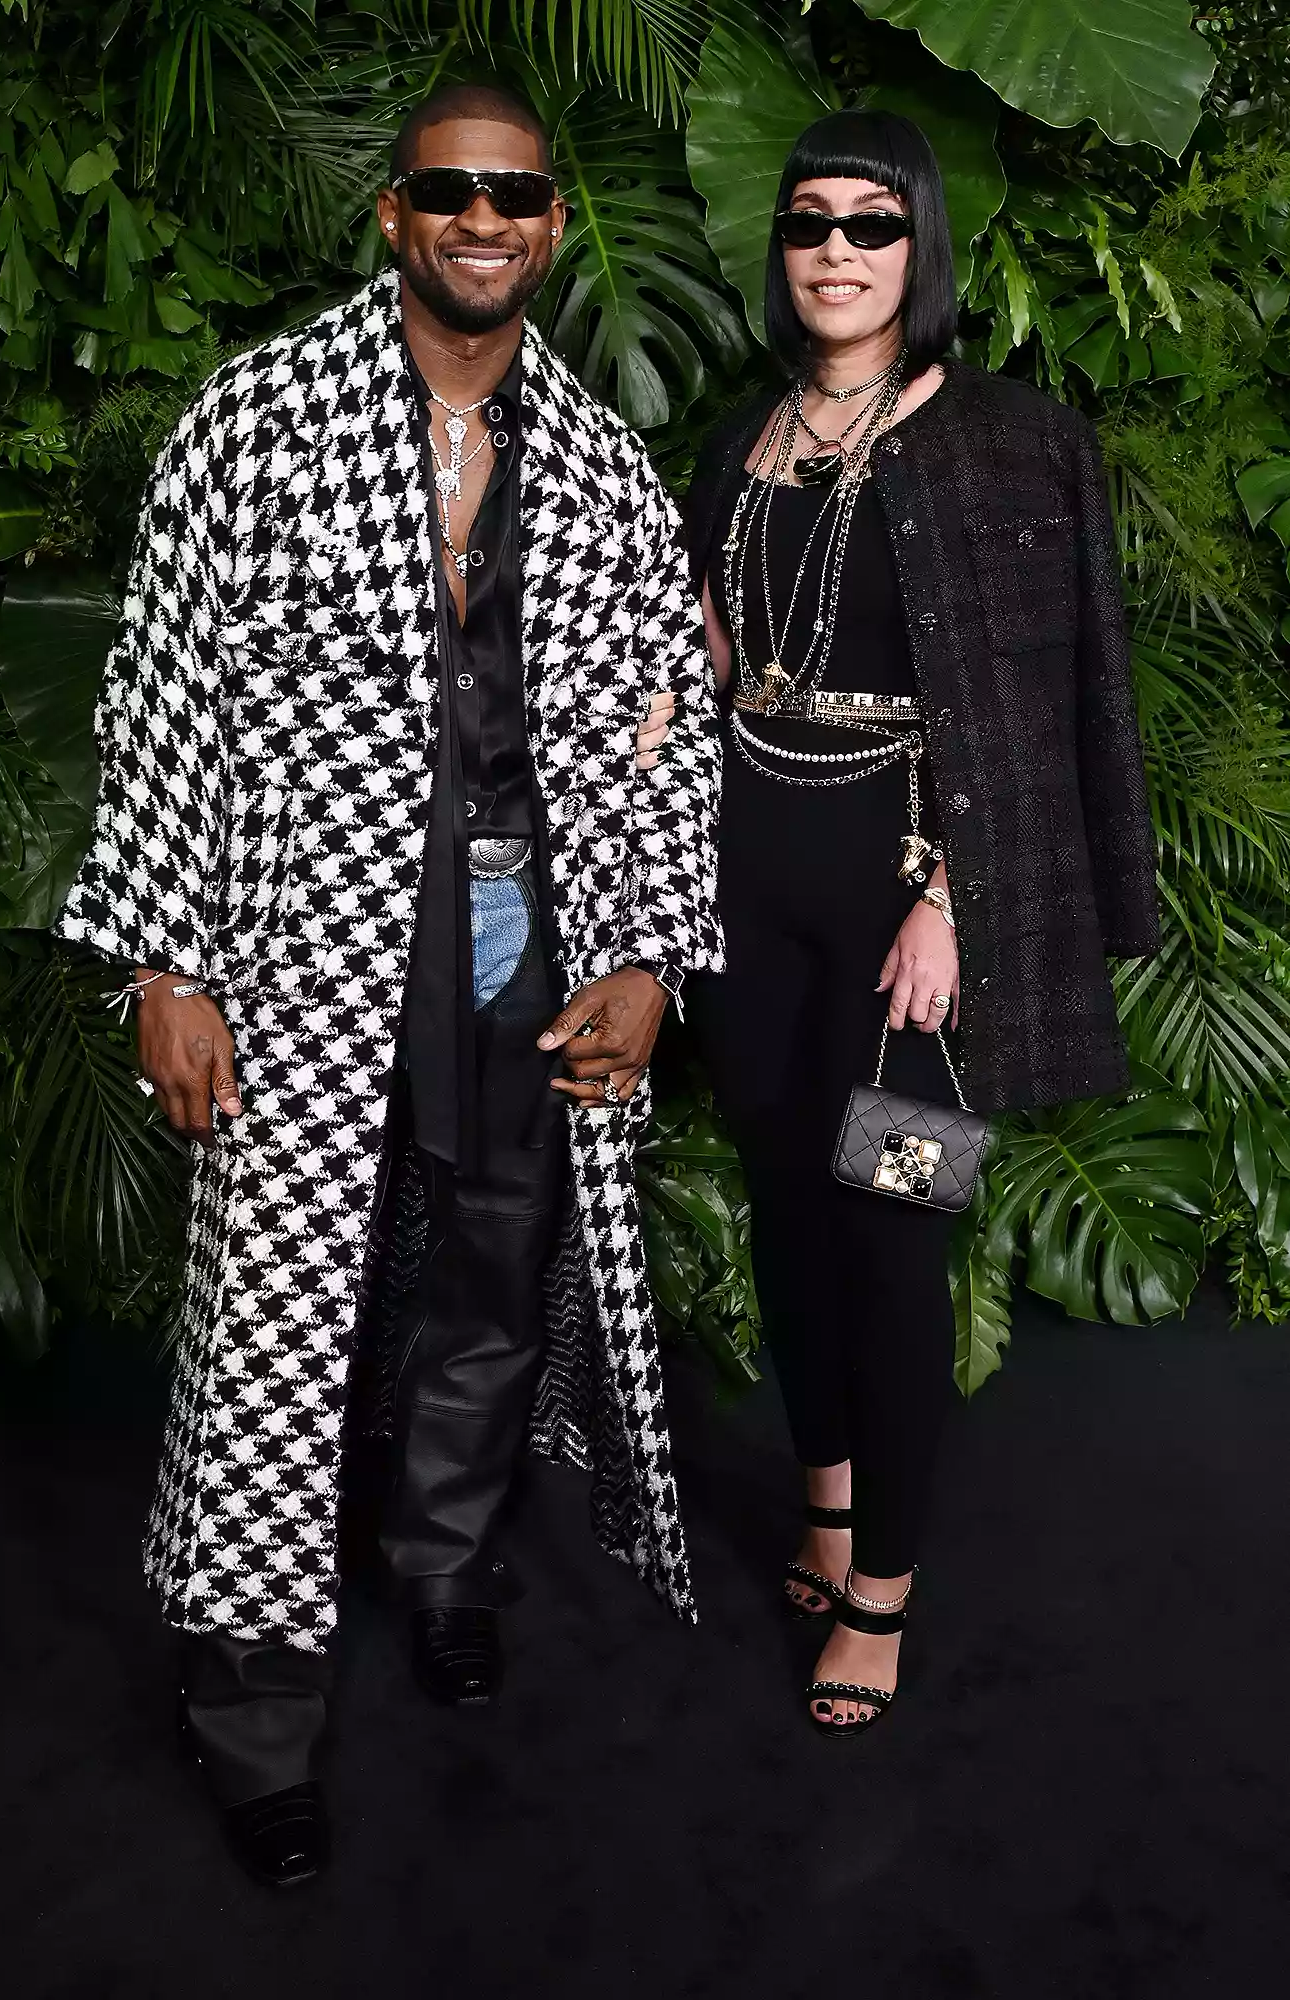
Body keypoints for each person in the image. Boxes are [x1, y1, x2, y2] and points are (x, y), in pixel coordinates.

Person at [58, 82, 721, 1886]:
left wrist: (649, 947)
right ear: (395, 215)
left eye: (515, 192)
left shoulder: (596, 455)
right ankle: (255, 1715)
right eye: (451, 189)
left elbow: (667, 738)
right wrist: (169, 957)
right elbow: (163, 697)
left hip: (520, 924)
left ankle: (442, 1565)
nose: (483, 216)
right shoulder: (259, 416)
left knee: (502, 1256)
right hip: (303, 923)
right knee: (277, 1306)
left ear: (554, 228)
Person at [669, 108, 1158, 1738]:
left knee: (897, 1230)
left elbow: (1036, 704)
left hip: (908, 932)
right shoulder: (741, 439)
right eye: (808, 222)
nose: (833, 252)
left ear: (920, 246)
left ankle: (883, 1581)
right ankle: (821, 1506)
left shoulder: (1012, 444)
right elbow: (710, 660)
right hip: (750, 908)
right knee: (793, 1224)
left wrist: (953, 898)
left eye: (870, 226)